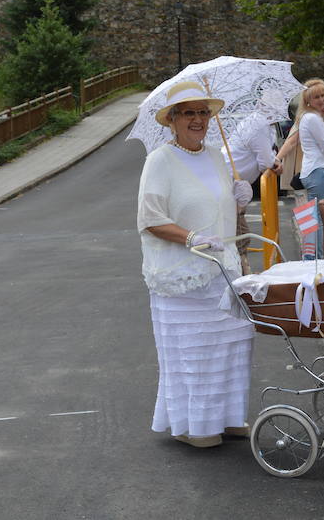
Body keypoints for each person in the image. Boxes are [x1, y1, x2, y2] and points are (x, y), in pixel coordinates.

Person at [137, 81, 255, 448]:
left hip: (223, 270)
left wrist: (239, 199)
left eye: (203, 112)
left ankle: (229, 417)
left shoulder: (217, 156)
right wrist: (190, 238)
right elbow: (150, 218)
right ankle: (194, 426)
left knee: (233, 345)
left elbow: (218, 212)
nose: (198, 119)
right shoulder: (160, 161)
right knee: (196, 352)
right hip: (183, 278)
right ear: (172, 120)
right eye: (189, 112)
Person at [223, 99, 285, 273]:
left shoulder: (261, 123)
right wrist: (276, 165)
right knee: (238, 233)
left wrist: (273, 160)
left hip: (235, 182)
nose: (279, 111)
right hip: (230, 183)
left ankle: (244, 271)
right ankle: (243, 275)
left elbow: (268, 155)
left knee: (238, 231)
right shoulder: (259, 125)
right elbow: (266, 161)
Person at [297, 82, 324, 258]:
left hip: (312, 169)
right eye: (316, 97)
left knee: (310, 216)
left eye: (323, 95)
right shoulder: (313, 118)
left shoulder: (309, 117)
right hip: (318, 169)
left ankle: (310, 256)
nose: (321, 100)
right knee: (317, 217)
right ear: (308, 101)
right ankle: (316, 257)